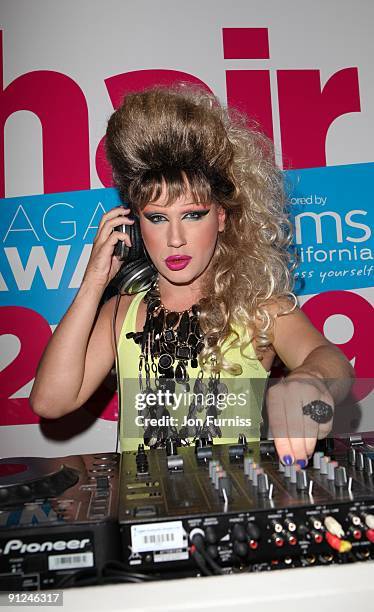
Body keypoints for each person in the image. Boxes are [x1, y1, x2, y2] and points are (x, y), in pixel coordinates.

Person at [30, 84, 354, 465]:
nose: (175, 239)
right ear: (136, 224)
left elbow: (334, 363)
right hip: (144, 515)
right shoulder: (120, 313)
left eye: (192, 214)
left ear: (221, 216)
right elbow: (50, 402)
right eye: (157, 218)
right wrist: (93, 283)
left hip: (235, 511)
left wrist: (309, 379)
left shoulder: (258, 306)